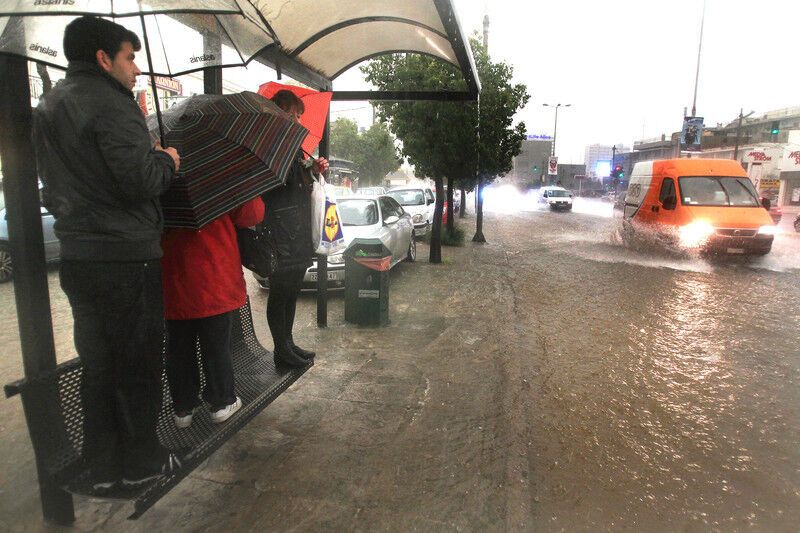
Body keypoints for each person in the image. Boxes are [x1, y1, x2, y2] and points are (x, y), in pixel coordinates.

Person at [32, 16, 181, 490]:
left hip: (79, 258)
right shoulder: (113, 106)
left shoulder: (49, 105)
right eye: (129, 58)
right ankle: (142, 463)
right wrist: (166, 159)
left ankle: (101, 465)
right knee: (137, 365)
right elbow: (142, 181)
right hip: (126, 258)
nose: (135, 70)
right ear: (103, 58)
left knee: (100, 365)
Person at [161, 197, 264, 428]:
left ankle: (183, 408)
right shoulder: (217, 175)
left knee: (179, 346)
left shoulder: (163, 173)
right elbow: (252, 215)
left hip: (174, 275)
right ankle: (221, 402)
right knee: (217, 345)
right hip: (214, 275)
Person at [262, 90, 328, 367]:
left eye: (299, 116)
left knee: (291, 292)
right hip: (280, 234)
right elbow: (274, 189)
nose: (298, 121)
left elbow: (298, 185)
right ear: (277, 114)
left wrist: (313, 170)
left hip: (298, 232)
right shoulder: (268, 147)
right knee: (280, 292)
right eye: (292, 116)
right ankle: (281, 349)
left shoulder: (291, 147)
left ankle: (288, 343)